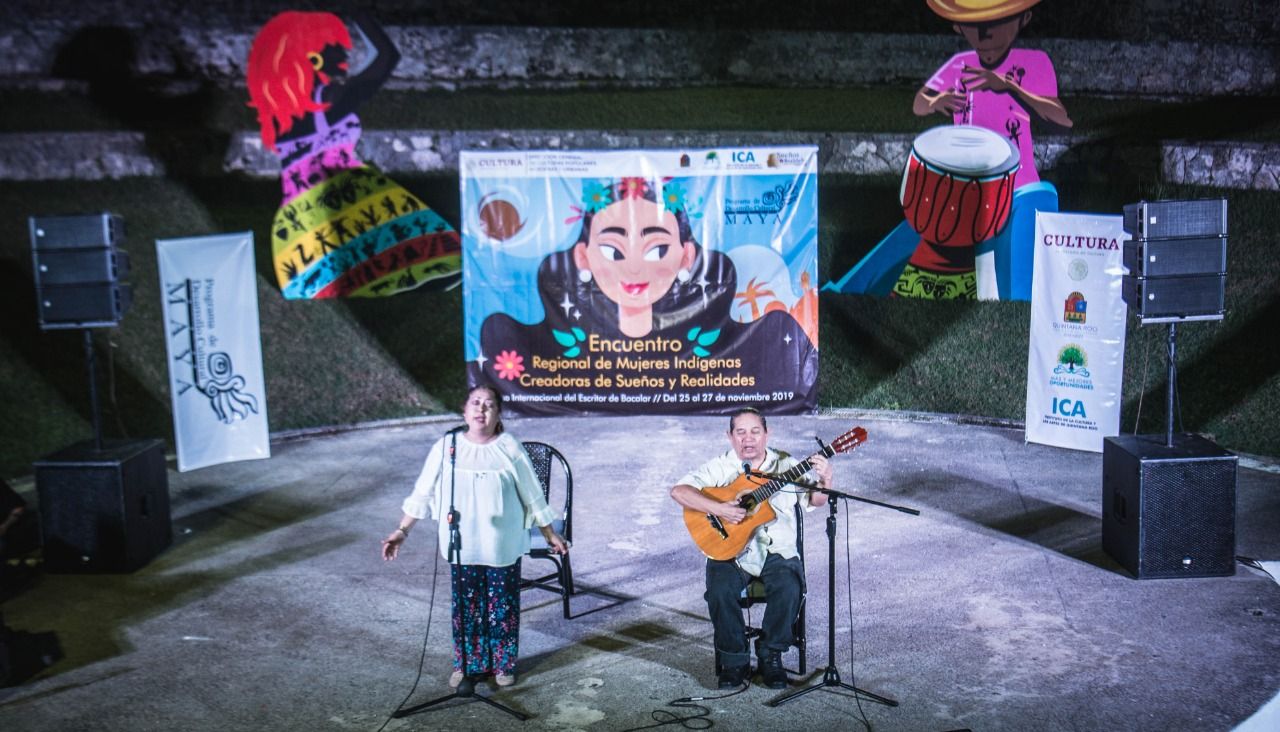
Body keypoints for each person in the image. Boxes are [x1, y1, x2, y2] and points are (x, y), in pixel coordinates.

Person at [473, 177, 818, 413]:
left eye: (656, 249)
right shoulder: (514, 341)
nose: (635, 268)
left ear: (686, 256)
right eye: (612, 250)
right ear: (583, 256)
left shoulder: (767, 337)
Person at [246, 10, 461, 299]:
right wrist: (360, 13)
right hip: (346, 201)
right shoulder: (328, 99)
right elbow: (386, 57)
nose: (345, 53)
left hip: (300, 212)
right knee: (426, 264)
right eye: (335, 46)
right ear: (312, 56)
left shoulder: (282, 110)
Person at [381, 384, 569, 688]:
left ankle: (503, 665)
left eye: (489, 404)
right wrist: (401, 531)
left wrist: (549, 533)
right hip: (462, 545)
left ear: (498, 414)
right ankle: (468, 664)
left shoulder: (509, 446)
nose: (481, 408)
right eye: (476, 402)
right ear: (465, 411)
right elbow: (422, 491)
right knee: (466, 608)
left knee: (502, 606)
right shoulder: (448, 447)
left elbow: (532, 493)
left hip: (501, 544)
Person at [669, 408, 832, 689]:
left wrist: (826, 479)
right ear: (730, 436)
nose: (748, 439)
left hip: (778, 550)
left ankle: (770, 655)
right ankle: (735, 661)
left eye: (755, 431)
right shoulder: (722, 466)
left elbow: (815, 500)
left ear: (767, 434)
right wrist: (720, 508)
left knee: (790, 587)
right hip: (731, 551)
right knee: (719, 591)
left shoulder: (786, 464)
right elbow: (679, 491)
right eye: (741, 432)